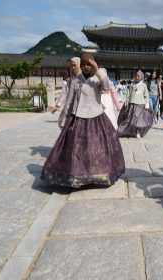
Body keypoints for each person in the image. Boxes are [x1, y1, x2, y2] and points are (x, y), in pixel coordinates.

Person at [41, 53, 125, 187]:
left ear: (93, 64)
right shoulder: (75, 81)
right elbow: (69, 102)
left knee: (97, 148)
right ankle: (77, 177)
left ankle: (99, 175)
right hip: (77, 118)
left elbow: (106, 87)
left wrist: (97, 69)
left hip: (97, 118)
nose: (86, 67)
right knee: (76, 150)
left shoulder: (97, 79)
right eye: (83, 64)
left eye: (88, 64)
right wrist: (63, 118)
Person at [117, 70, 153, 138]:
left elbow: (146, 95)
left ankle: (138, 131)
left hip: (140, 105)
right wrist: (126, 102)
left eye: (138, 76)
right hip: (132, 105)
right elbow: (128, 94)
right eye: (136, 75)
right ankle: (129, 131)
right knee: (129, 120)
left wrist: (147, 102)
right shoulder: (132, 85)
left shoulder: (144, 85)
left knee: (139, 120)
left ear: (141, 77)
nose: (137, 77)